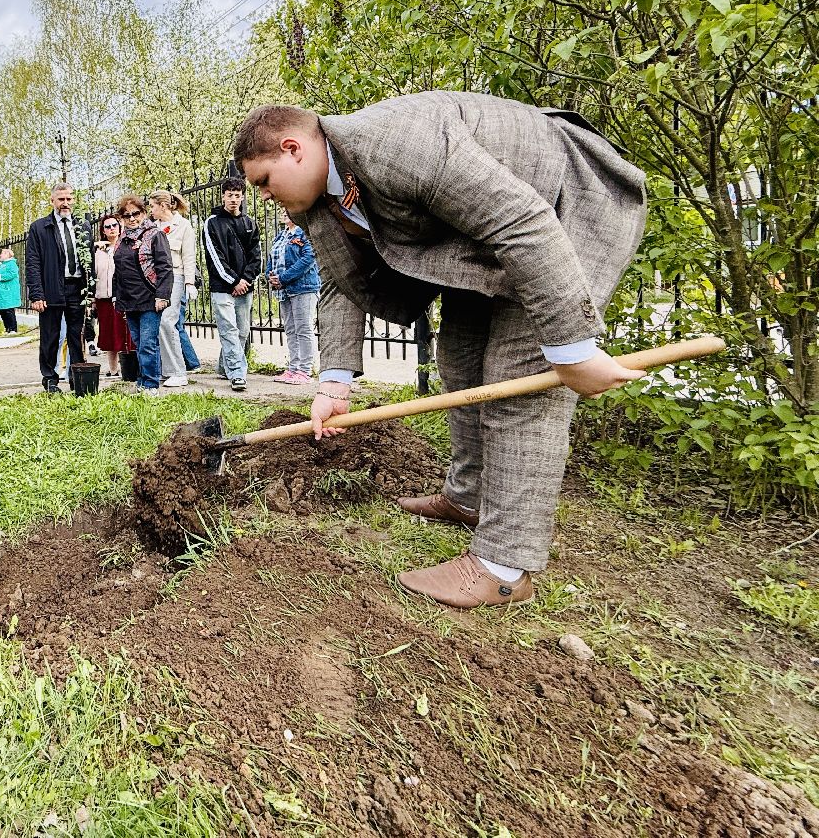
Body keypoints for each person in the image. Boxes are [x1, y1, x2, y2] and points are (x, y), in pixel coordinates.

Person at [233, 93, 647, 610]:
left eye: (264, 183)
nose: (264, 197)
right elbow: (342, 284)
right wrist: (335, 384)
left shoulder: (396, 144)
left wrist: (573, 347)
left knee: (519, 376)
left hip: (563, 207)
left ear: (293, 149)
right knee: (460, 357)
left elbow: (517, 220)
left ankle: (504, 567)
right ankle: (469, 497)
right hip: (483, 245)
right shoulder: (317, 201)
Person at [26, 184, 90, 393]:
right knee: (51, 335)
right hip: (52, 287)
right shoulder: (40, 227)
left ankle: (77, 377)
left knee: (75, 334)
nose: (65, 203)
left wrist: (90, 290)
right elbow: (33, 262)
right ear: (52, 200)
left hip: (77, 287)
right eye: (61, 199)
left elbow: (89, 259)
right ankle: (50, 379)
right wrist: (36, 293)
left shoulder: (83, 226)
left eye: (69, 199)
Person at [110, 195, 173, 396]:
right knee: (138, 343)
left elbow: (165, 267)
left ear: (143, 213)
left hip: (150, 298)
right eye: (127, 215)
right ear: (121, 218)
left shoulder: (155, 235)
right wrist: (115, 296)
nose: (132, 218)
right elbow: (118, 270)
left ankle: (151, 384)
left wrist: (162, 296)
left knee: (148, 343)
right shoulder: (121, 240)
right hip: (129, 300)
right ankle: (143, 379)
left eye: (136, 213)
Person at [202, 177, 260, 392]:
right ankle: (237, 374)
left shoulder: (249, 223)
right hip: (222, 287)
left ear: (242, 197)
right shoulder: (212, 222)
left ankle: (224, 367)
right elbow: (215, 256)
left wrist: (246, 279)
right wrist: (233, 281)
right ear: (223, 196)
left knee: (242, 331)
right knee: (229, 329)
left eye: (237, 195)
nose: (233, 199)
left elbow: (256, 255)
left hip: (245, 286)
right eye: (230, 195)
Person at [148, 189, 200, 386]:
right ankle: (166, 369)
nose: (151, 210)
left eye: (153, 206)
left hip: (175, 276)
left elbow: (188, 255)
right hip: (155, 278)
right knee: (158, 323)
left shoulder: (183, 225)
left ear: (162, 205)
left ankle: (179, 371)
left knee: (168, 321)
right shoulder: (152, 227)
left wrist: (189, 282)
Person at [267, 207, 320, 384]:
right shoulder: (280, 236)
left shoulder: (306, 233)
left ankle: (305, 371)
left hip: (303, 287)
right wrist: (271, 276)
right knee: (290, 329)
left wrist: (283, 278)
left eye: (287, 209)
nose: (283, 212)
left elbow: (308, 259)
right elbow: (271, 258)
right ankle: (293, 368)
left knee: (303, 328)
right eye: (282, 209)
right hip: (283, 289)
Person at [91, 212, 135, 377]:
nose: (111, 229)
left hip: (125, 296)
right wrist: (92, 299)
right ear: (103, 230)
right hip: (104, 297)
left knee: (127, 332)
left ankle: (130, 368)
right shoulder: (97, 250)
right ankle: (113, 368)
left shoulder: (126, 245)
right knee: (109, 333)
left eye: (114, 225)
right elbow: (93, 275)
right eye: (107, 226)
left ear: (120, 227)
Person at [0, 247, 21, 334]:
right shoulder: (3, 264)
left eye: (2, 253)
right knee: (3, 311)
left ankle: (13, 329)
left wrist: (0, 276)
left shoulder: (11, 264)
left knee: (8, 310)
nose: (0, 255)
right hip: (2, 293)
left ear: (7, 255)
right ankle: (7, 328)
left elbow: (12, 274)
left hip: (8, 292)